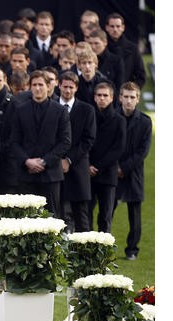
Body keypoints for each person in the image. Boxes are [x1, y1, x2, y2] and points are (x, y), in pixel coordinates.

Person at [10, 70, 71, 218]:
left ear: (49, 86)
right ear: (30, 87)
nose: (38, 88)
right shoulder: (20, 111)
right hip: (26, 175)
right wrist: (27, 161)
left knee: (50, 219)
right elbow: (14, 142)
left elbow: (65, 141)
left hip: (50, 175)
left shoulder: (60, 111)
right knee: (26, 220)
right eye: (34, 85)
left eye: (41, 85)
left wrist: (44, 161)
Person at [114, 82, 152, 260]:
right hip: (112, 171)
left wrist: (124, 167)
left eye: (132, 97)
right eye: (125, 96)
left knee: (134, 214)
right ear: (120, 97)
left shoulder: (145, 122)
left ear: (137, 99)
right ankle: (103, 245)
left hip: (134, 173)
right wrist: (115, 167)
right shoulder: (112, 116)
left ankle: (132, 250)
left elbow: (143, 152)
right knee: (106, 211)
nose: (128, 101)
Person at [58, 71, 96, 233]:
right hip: (55, 166)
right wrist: (58, 159)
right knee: (58, 213)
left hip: (78, 167)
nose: (67, 90)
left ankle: (84, 253)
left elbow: (88, 139)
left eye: (71, 87)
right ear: (59, 86)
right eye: (65, 86)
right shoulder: (51, 106)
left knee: (81, 214)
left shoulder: (87, 110)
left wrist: (69, 160)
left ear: (76, 88)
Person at [88, 82, 126, 232]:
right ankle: (86, 249)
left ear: (112, 98)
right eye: (99, 95)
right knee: (86, 213)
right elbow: (85, 142)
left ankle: (103, 252)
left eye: (105, 95)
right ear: (94, 97)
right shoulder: (89, 117)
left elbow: (119, 148)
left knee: (105, 216)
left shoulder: (119, 120)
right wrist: (88, 165)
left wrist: (98, 166)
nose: (102, 98)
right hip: (88, 173)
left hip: (108, 174)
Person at [105, 13, 146, 88]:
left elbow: (141, 75)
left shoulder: (133, 49)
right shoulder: (101, 48)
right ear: (107, 27)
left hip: (125, 95)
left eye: (118, 26)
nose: (115, 29)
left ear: (123, 28)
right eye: (112, 26)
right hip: (104, 94)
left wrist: (131, 90)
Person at [87, 29, 125, 95]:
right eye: (90, 43)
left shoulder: (116, 61)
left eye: (96, 43)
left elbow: (119, 85)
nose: (93, 47)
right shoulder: (84, 61)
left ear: (105, 42)